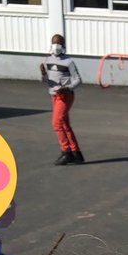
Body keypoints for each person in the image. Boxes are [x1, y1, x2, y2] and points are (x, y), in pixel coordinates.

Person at [40, 33, 84, 165]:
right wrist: (43, 74)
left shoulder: (68, 62)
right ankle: (76, 153)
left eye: (58, 44)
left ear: (63, 46)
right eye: (54, 44)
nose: (56, 47)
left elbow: (78, 80)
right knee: (64, 124)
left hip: (65, 96)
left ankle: (66, 152)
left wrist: (68, 88)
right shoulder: (47, 60)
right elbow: (47, 81)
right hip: (54, 95)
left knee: (56, 123)